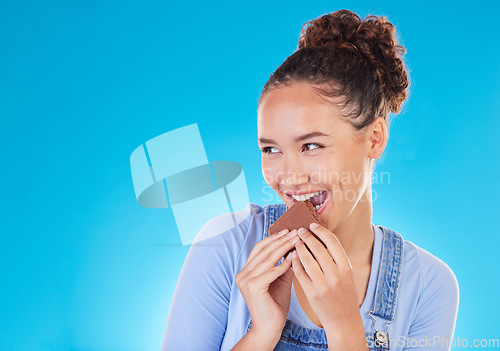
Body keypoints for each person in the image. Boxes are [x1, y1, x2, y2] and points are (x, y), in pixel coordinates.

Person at [161, 9, 459, 351]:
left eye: (311, 145)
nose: (289, 177)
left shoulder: (428, 286)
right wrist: (261, 334)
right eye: (271, 149)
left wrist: (343, 323)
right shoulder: (226, 243)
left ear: (375, 139)